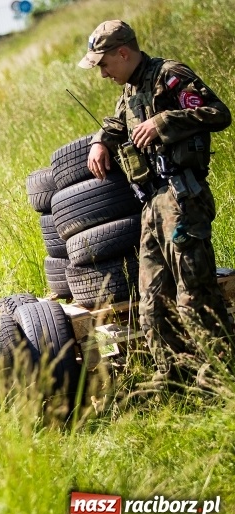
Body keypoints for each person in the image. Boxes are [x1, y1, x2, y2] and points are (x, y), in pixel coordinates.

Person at [80, 20, 233, 380]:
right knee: (151, 304)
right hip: (152, 205)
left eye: (104, 64)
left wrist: (165, 121)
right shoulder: (129, 91)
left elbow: (218, 113)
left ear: (123, 52)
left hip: (182, 199)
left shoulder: (170, 75)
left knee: (194, 296)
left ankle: (220, 377)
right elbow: (117, 124)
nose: (102, 74)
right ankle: (175, 380)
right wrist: (99, 141)